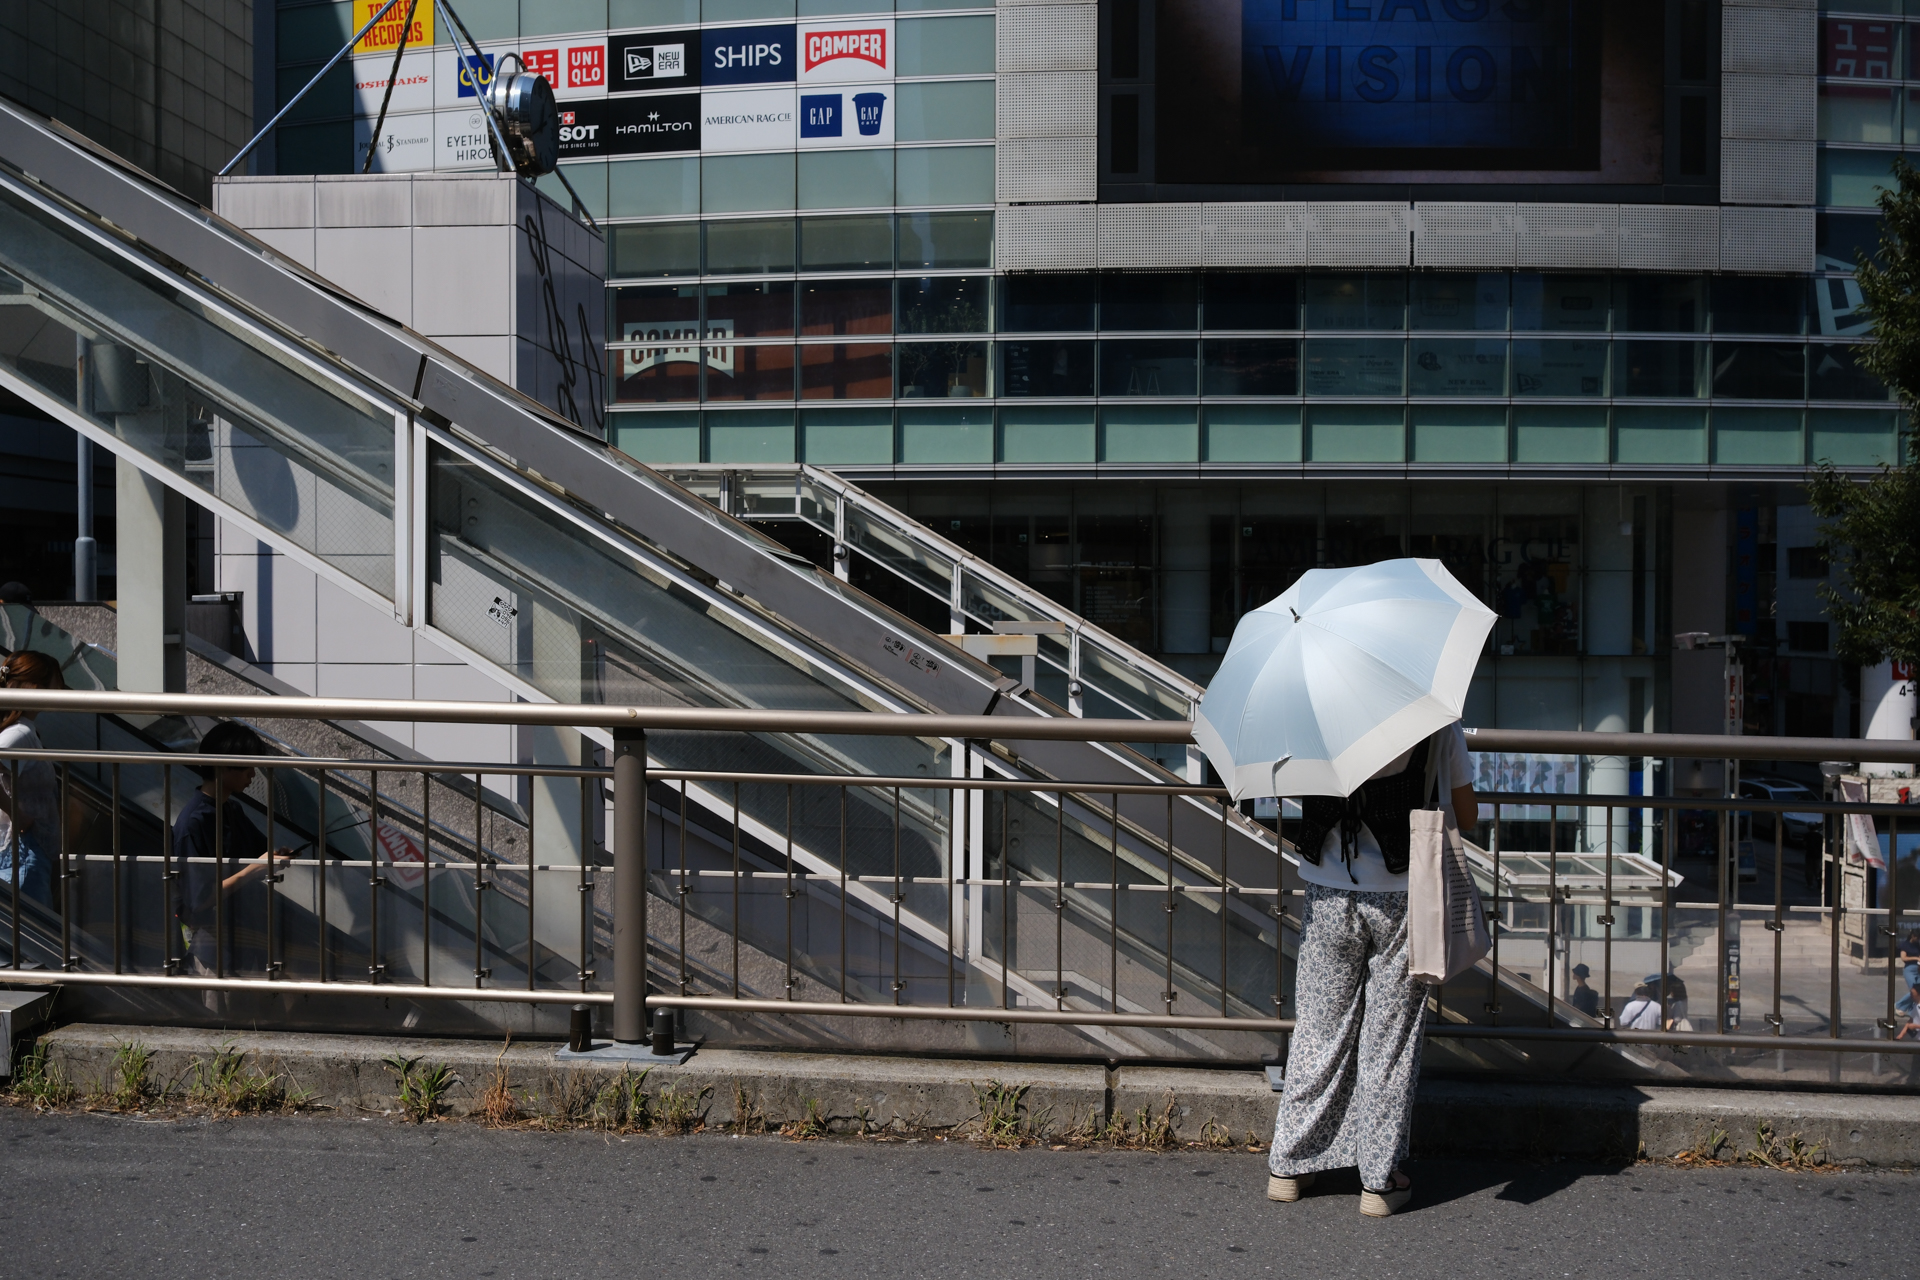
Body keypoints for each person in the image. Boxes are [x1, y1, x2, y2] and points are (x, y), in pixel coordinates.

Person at [1267, 721, 1477, 1219]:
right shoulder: (1434, 717)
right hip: (1404, 894)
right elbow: (1465, 814)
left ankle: (1289, 1166)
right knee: (1390, 1040)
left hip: (1327, 889)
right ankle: (1379, 1182)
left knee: (1319, 1030)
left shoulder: (1315, 710)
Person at [171, 721, 296, 975]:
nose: (252, 773)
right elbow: (199, 900)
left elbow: (259, 853)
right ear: (223, 766)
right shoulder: (192, 824)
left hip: (242, 940)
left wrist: (276, 856)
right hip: (214, 950)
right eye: (246, 765)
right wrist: (256, 868)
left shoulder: (231, 809)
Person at [0, 650, 67, 905]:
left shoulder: (23, 731)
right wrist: (19, 816)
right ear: (32, 687)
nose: (57, 694)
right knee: (31, 937)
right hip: (22, 855)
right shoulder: (21, 733)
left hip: (22, 853)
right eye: (53, 686)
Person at [1897, 931, 1920, 1017]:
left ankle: (1912, 1011)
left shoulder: (1917, 945)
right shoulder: (1905, 945)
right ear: (1913, 936)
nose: (1918, 939)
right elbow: (1904, 958)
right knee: (1914, 991)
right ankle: (1900, 1005)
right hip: (1909, 969)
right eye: (1917, 937)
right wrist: (1916, 958)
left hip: (1918, 969)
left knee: (1918, 990)